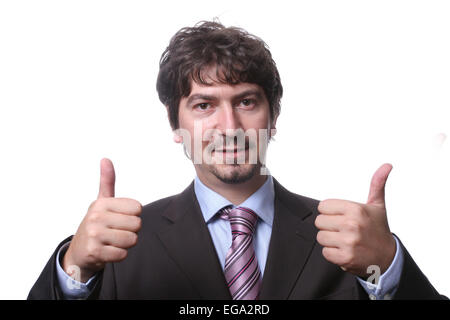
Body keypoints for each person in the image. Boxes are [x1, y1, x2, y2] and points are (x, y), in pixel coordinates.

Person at [28, 20, 445, 300]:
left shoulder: (346, 239)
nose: (230, 125)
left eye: (246, 101)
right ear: (176, 125)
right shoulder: (123, 243)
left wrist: (386, 266)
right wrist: (75, 271)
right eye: (204, 105)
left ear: (274, 115)